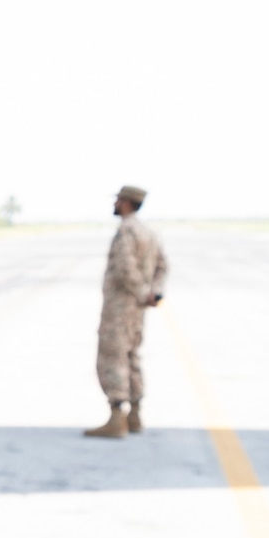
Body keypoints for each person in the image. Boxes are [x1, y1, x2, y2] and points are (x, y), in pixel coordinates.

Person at [83, 184, 168, 438]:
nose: (115, 204)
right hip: (138, 309)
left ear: (126, 202)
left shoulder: (127, 231)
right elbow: (162, 266)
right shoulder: (149, 232)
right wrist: (154, 292)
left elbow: (124, 268)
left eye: (119, 200)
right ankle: (135, 415)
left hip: (120, 307)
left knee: (113, 356)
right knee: (132, 355)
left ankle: (116, 417)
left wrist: (142, 292)